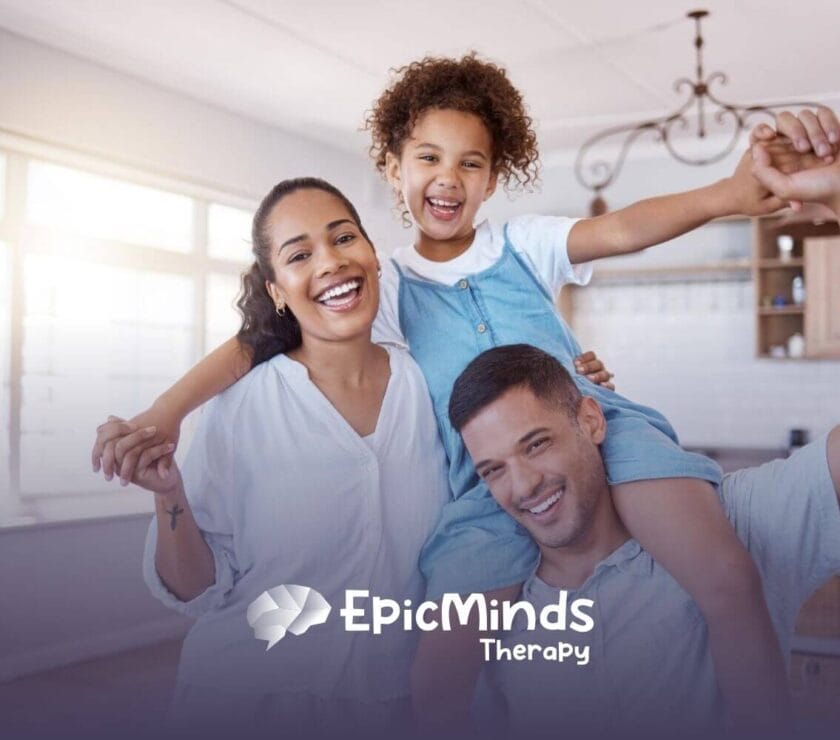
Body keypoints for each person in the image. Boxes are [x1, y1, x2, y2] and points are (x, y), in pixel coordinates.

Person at [91, 55, 833, 730]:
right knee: (442, 669)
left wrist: (733, 194)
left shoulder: (523, 245)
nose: (448, 177)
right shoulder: (382, 289)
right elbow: (258, 340)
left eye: (470, 163)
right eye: (428, 158)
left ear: (492, 177)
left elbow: (624, 228)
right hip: (481, 487)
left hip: (603, 426)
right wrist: (163, 414)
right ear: (394, 167)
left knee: (727, 578)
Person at [96, 177, 451, 738]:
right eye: (300, 255)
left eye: (343, 238)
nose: (330, 262)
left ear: (373, 256)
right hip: (246, 700)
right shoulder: (240, 407)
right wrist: (171, 494)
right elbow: (196, 589)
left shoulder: (429, 387)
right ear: (278, 290)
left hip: (395, 702)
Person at [448, 343, 840, 738]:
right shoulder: (490, 614)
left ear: (591, 421)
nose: (523, 486)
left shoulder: (728, 523)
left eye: (536, 444)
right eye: (494, 470)